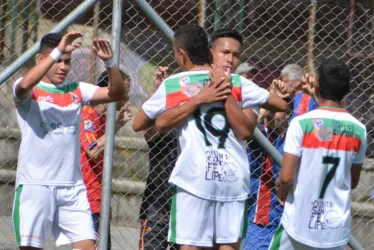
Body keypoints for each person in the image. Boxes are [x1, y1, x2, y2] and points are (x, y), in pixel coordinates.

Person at [133, 25, 287, 250]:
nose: (231, 60)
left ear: (181, 54)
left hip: (194, 176)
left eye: (236, 55)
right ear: (210, 52)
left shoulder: (177, 84)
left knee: (191, 246)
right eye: (225, 53)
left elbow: (140, 123)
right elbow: (280, 103)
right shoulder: (240, 85)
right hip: (231, 176)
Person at [12, 32, 127, 250]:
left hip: (72, 188)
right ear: (42, 60)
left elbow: (117, 93)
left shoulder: (76, 89)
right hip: (36, 186)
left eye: (67, 62)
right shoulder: (29, 89)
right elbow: (24, 86)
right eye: (58, 61)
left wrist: (109, 62)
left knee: (87, 246)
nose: (63, 67)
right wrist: (57, 51)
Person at [271, 58, 367, 250]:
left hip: (299, 224)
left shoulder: (301, 124)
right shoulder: (359, 130)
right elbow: (353, 181)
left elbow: (287, 177)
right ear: (346, 90)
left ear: (317, 85)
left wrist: (280, 188)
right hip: (334, 230)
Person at [80, 70, 131, 249]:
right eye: (124, 92)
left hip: (98, 198)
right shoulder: (87, 114)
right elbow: (93, 151)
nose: (126, 97)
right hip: (86, 200)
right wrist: (116, 126)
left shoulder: (104, 119)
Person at [138, 66, 179, 250]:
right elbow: (147, 131)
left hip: (186, 204)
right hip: (157, 204)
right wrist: (156, 91)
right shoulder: (163, 123)